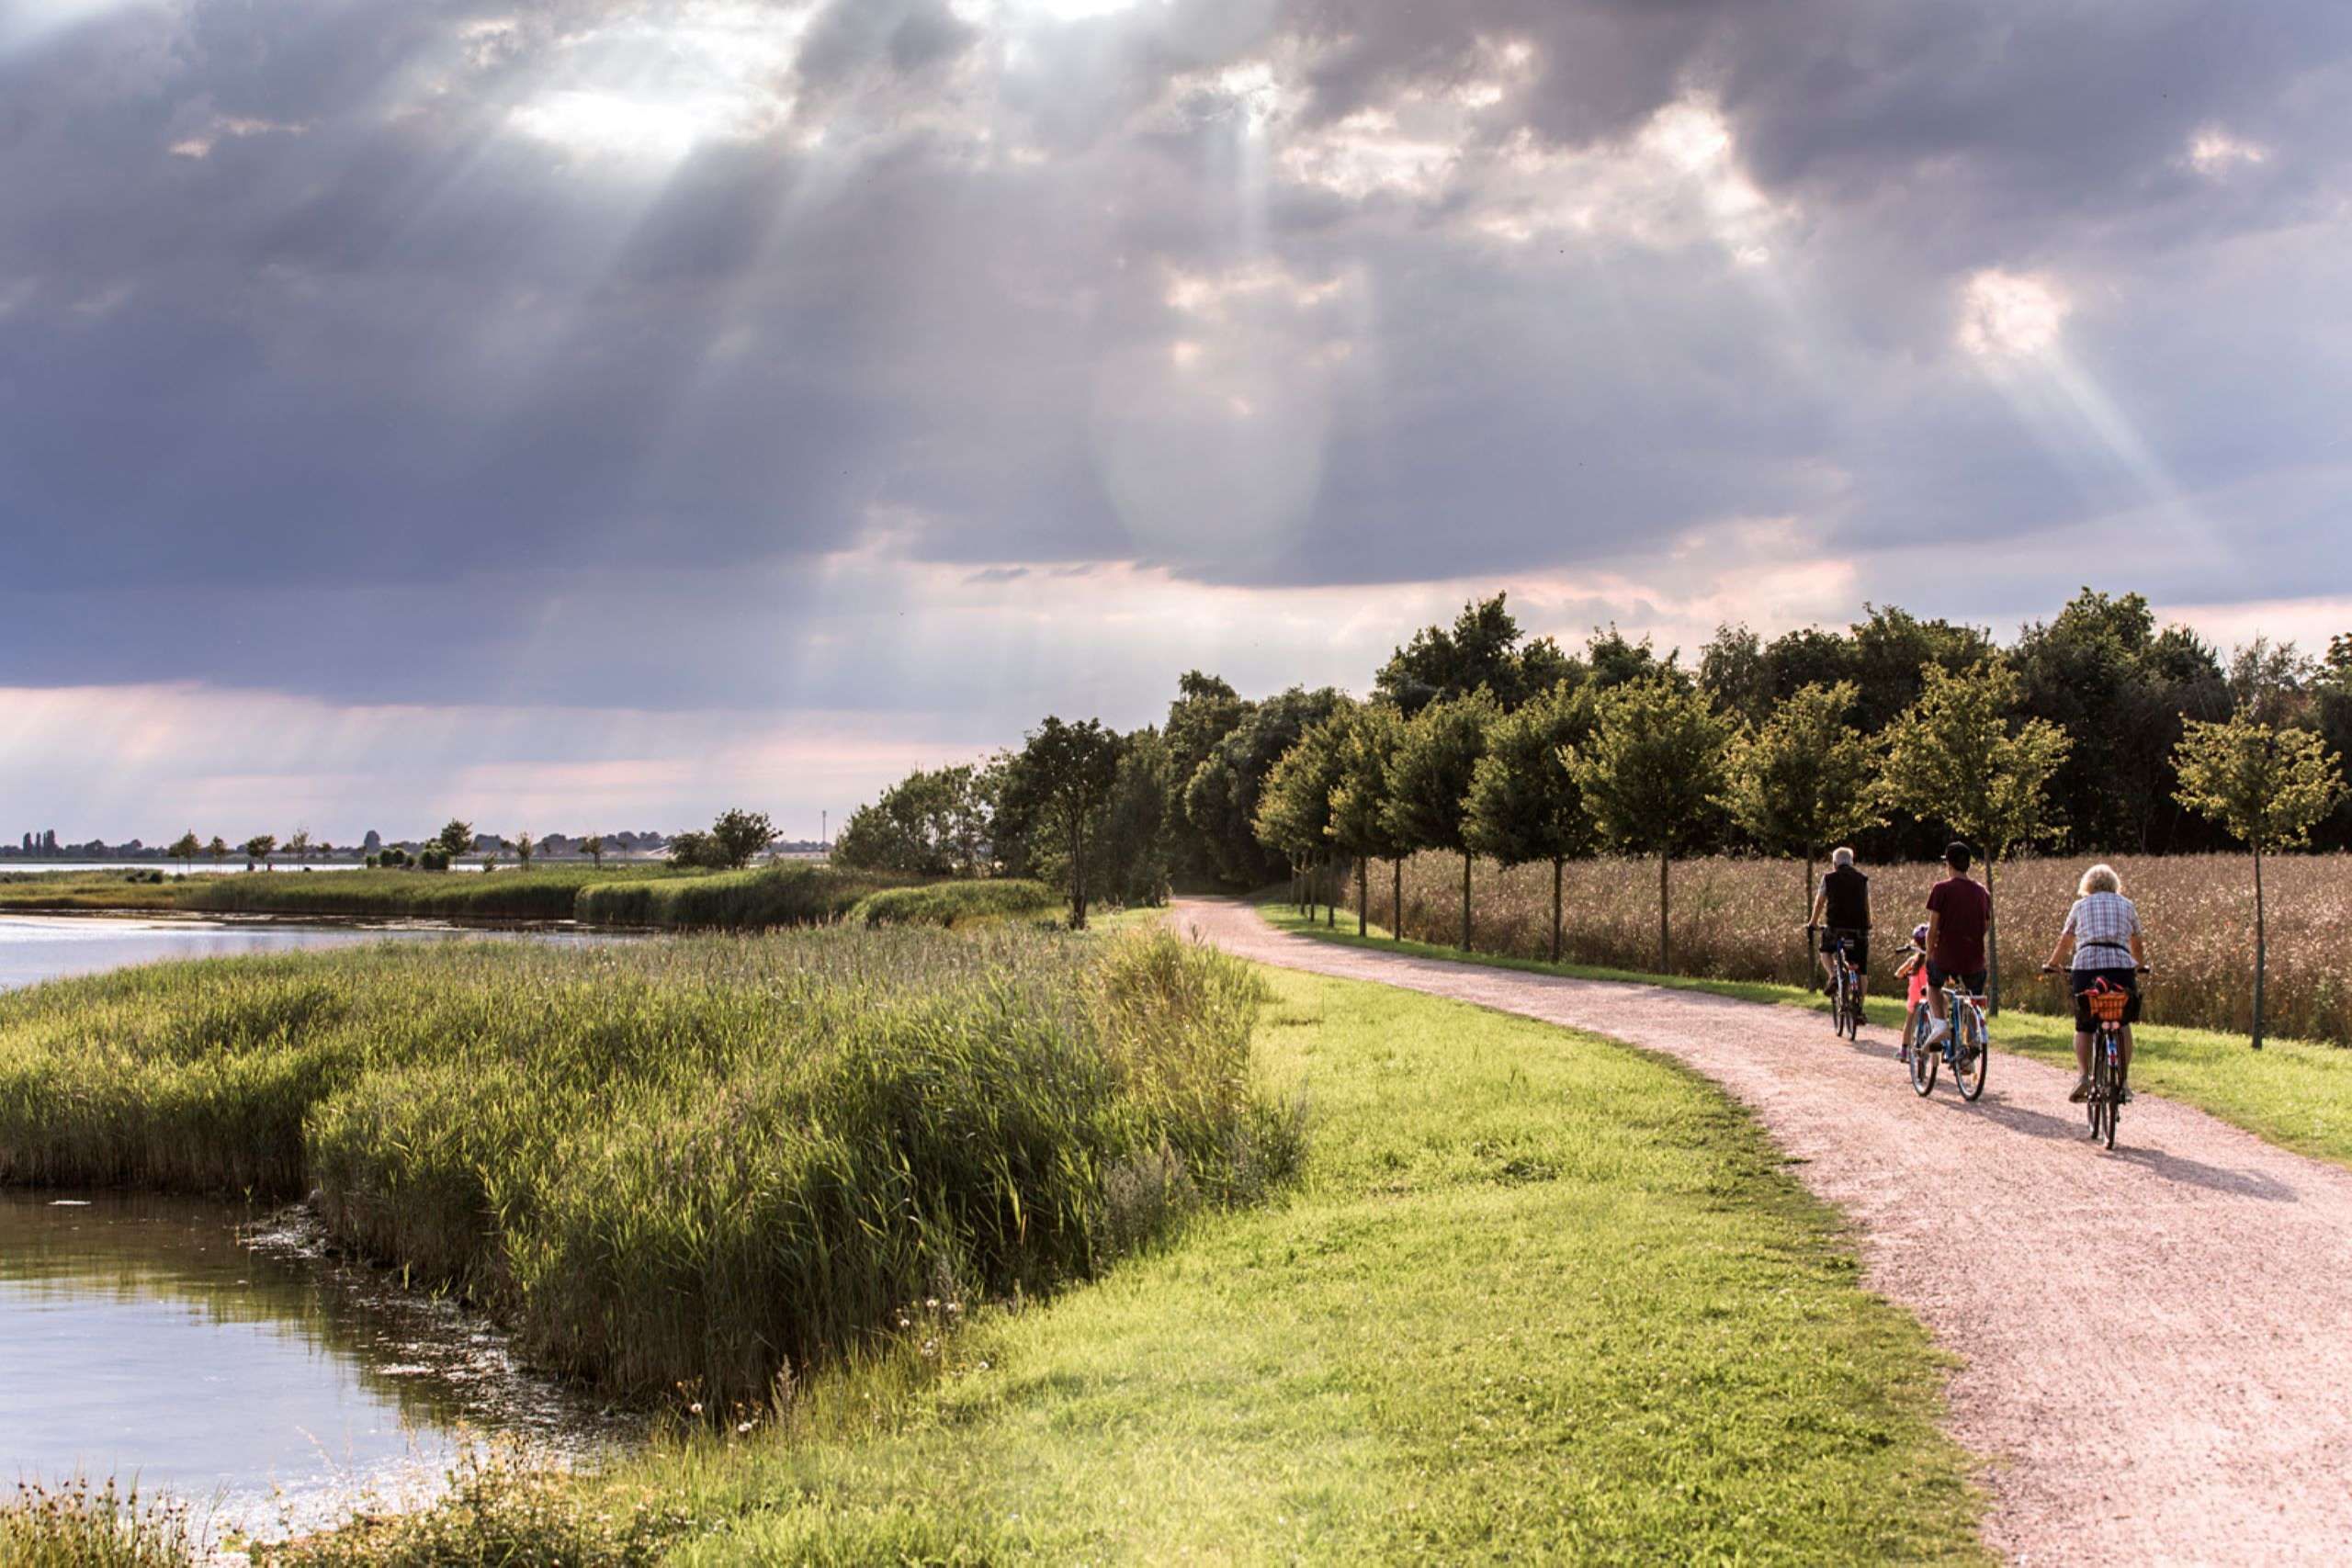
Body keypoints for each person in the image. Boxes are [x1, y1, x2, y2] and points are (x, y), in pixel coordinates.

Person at [2041, 863, 2148, 1104]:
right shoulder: (2126, 905)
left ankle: (2083, 1076)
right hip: (2120, 966)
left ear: (2087, 885)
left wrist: (2052, 963)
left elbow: (2066, 940)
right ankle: (2124, 1080)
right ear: (2114, 884)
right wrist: (2140, 965)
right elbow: (2137, 943)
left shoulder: (2080, 906)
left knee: (2084, 1023)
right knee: (2122, 1021)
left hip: (2087, 965)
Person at [1920, 841, 1991, 1049]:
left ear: (1948, 864)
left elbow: (1933, 928)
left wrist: (1929, 953)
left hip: (1946, 955)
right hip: (1974, 957)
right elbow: (1985, 925)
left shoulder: (1941, 889)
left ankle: (1940, 1025)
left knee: (1933, 985)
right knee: (1972, 997)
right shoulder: (1982, 892)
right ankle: (1971, 1044)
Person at [1807, 846, 1872, 998]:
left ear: (1834, 864)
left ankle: (1833, 975)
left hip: (1835, 929)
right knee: (1861, 970)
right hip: (1859, 931)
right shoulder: (1862, 879)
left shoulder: (1828, 878)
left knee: (1825, 951)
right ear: (1851, 863)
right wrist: (1868, 923)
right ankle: (1860, 1009)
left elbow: (1820, 902)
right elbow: (1866, 904)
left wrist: (1813, 922)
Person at [1893, 922, 1930, 1063]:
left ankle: (1904, 1051)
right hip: (1929, 996)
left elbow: (1899, 972)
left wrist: (1899, 976)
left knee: (1909, 1022)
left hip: (1915, 998)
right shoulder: (1932, 961)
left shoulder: (1913, 961)